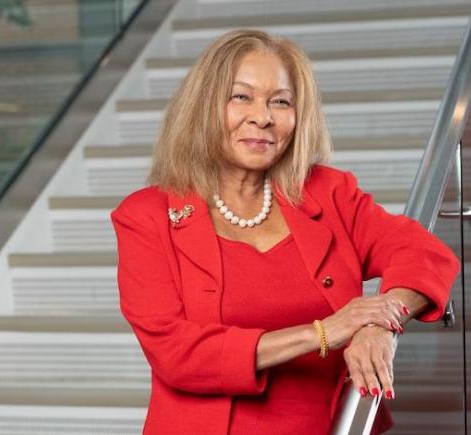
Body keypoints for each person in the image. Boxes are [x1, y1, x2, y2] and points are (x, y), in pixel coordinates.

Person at [110, 29, 461, 435]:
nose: (263, 116)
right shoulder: (146, 217)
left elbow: (426, 254)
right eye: (241, 96)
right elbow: (176, 354)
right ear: (203, 107)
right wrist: (325, 333)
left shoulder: (328, 193)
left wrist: (377, 325)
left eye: (281, 101)